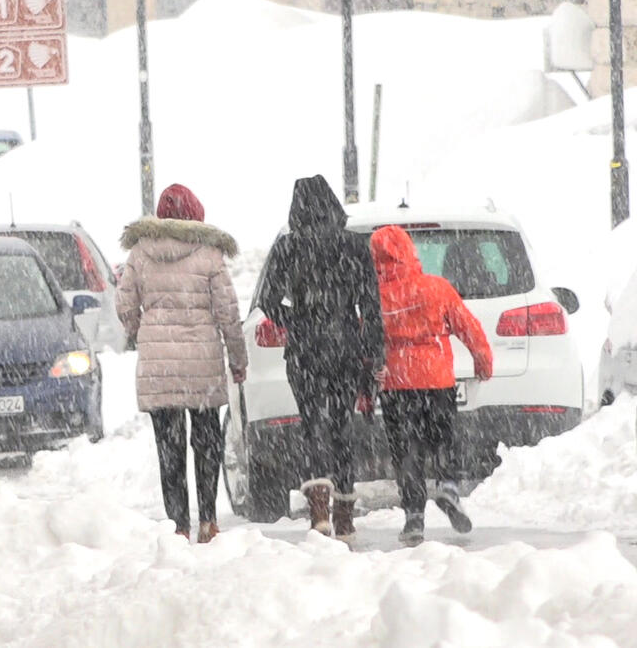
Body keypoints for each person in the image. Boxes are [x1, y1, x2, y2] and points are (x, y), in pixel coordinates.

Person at [116, 184, 248, 544]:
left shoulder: (140, 254)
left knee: (169, 448)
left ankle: (178, 525)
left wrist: (138, 331)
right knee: (207, 442)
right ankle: (208, 519)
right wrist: (237, 359)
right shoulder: (209, 255)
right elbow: (228, 313)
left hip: (159, 366)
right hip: (202, 365)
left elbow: (125, 304)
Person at [258, 175, 383, 542]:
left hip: (305, 350)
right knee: (342, 426)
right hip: (345, 346)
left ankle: (319, 513)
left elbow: (267, 301)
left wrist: (296, 319)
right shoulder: (354, 245)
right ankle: (344, 516)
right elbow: (371, 304)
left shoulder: (288, 247)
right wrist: (372, 350)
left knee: (312, 425)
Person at [369, 225, 493, 547]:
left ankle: (413, 515)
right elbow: (468, 326)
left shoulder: (376, 297)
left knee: (406, 450)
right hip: (436, 378)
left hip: (397, 382)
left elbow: (366, 341)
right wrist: (482, 359)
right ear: (410, 252)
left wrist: (364, 385)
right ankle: (448, 486)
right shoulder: (436, 288)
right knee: (442, 438)